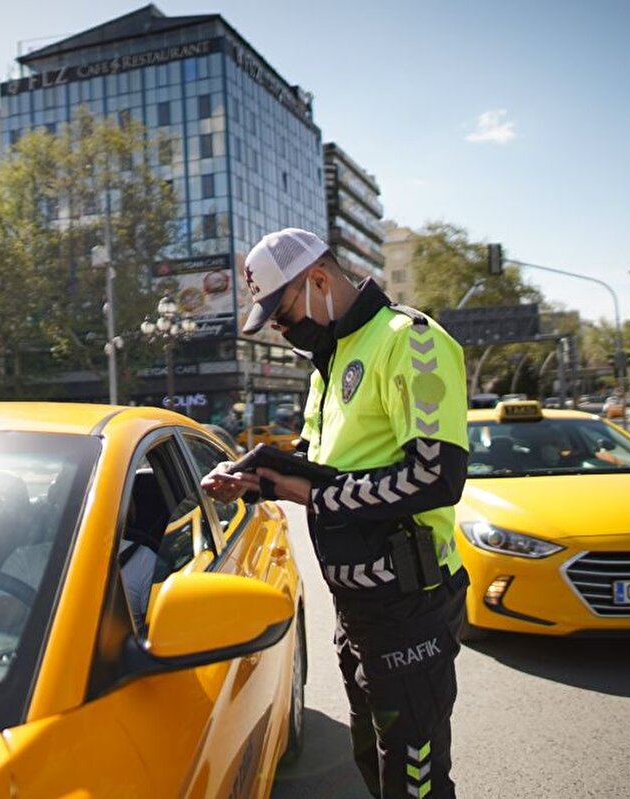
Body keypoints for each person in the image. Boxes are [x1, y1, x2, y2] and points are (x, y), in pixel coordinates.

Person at [202, 228, 470, 799]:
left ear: (319, 280)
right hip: (357, 607)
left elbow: (436, 477)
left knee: (414, 783)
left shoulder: (410, 340)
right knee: (373, 764)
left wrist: (310, 494)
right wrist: (254, 479)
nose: (281, 330)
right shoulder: (330, 360)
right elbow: (319, 463)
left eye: (283, 314)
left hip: (411, 603)